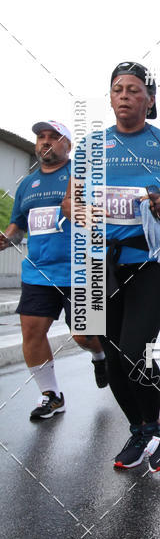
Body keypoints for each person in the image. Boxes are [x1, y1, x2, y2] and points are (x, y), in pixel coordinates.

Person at [62, 62, 160, 471]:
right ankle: (138, 429)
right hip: (100, 263)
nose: (124, 95)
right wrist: (84, 213)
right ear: (110, 98)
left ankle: (156, 428)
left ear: (150, 99)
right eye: (117, 89)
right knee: (111, 350)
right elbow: (69, 203)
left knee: (134, 350)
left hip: (150, 261)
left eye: (133, 89)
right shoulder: (91, 146)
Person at [0, 121, 107, 420]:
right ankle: (52, 395)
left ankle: (100, 357)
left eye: (53, 137)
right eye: (40, 137)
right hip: (39, 272)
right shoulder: (26, 184)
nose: (45, 142)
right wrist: (8, 239)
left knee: (83, 335)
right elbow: (18, 225)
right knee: (31, 333)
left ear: (67, 146)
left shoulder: (82, 175)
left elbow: (100, 215)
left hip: (81, 269)